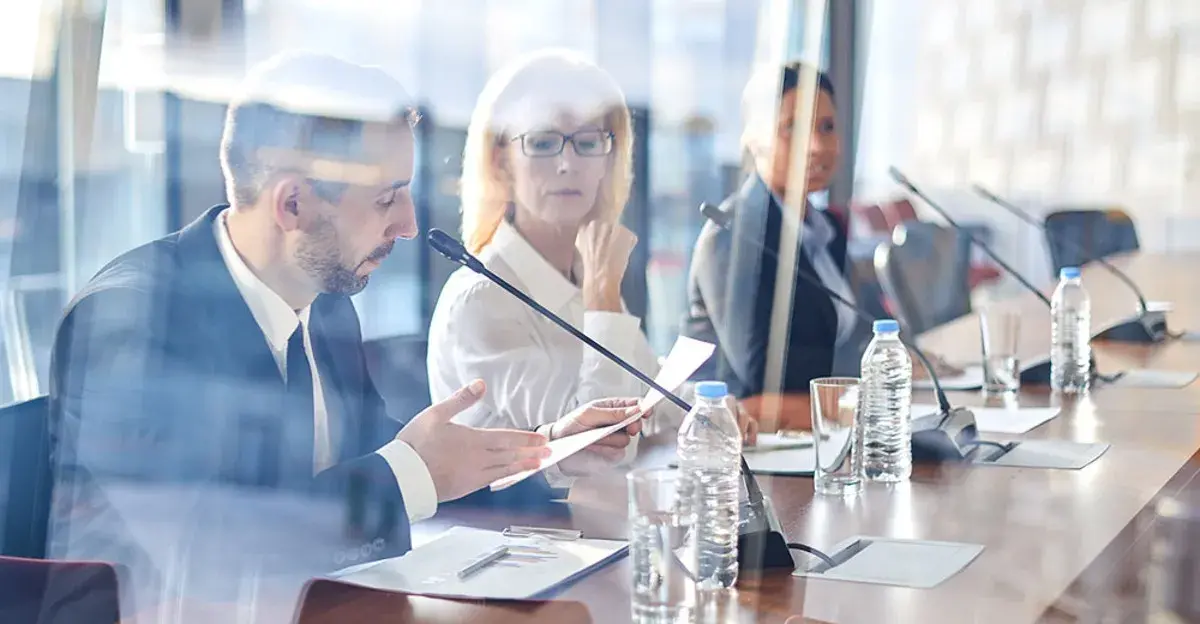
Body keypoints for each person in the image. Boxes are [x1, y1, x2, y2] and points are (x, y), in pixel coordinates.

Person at [47, 52, 639, 622]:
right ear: (294, 203)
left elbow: (382, 460)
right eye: (386, 198)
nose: (408, 225)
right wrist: (411, 474)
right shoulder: (130, 322)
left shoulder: (326, 304)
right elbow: (213, 548)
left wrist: (544, 449)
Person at [428, 50, 755, 482]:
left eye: (587, 142)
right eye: (542, 143)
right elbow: (602, 445)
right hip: (526, 535)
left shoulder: (580, 270)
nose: (568, 164)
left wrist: (704, 405)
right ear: (501, 162)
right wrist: (603, 299)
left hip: (592, 524)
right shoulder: (481, 297)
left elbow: (643, 387)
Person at [684, 61, 864, 403]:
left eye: (826, 127)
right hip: (746, 441)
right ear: (754, 139)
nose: (815, 145)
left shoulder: (827, 231)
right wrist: (868, 367)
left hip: (821, 426)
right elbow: (763, 370)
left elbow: (860, 331)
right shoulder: (733, 234)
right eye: (792, 128)